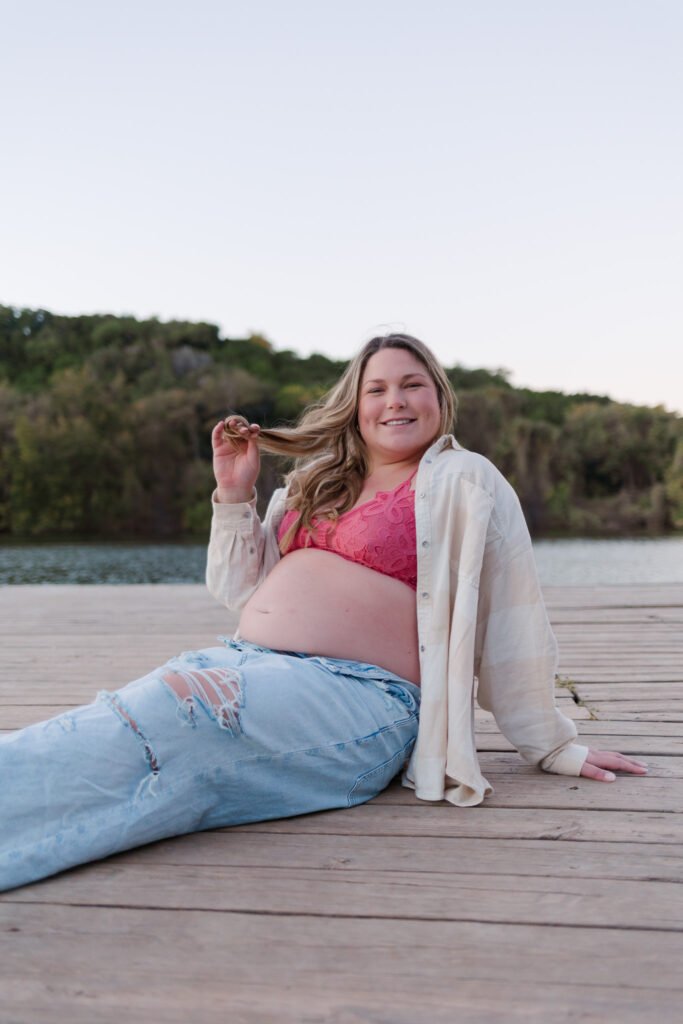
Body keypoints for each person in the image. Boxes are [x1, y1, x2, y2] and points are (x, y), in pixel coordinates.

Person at [0, 333, 647, 892]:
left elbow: (513, 614)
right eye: (377, 389)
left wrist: (550, 744)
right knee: (123, 721)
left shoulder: (461, 480)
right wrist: (233, 493)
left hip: (365, 697)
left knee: (170, 714)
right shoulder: (314, 482)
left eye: (412, 385)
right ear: (356, 407)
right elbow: (236, 587)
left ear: (439, 398)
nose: (394, 400)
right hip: (247, 662)